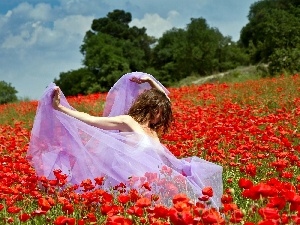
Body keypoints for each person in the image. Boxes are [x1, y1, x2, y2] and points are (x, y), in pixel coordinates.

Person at [27, 72, 223, 208]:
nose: (161, 118)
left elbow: (166, 100)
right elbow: (93, 120)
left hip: (155, 183)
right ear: (151, 108)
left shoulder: (152, 131)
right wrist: (61, 109)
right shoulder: (128, 122)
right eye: (159, 113)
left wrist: (150, 81)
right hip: (132, 182)